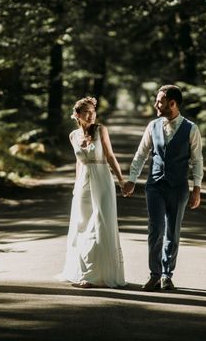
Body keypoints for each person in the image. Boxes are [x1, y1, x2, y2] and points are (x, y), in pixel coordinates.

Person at [124, 84, 203, 291]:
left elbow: (197, 160)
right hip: (155, 185)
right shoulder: (152, 126)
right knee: (155, 229)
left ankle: (167, 275)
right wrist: (132, 178)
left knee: (173, 232)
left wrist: (197, 188)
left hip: (178, 187)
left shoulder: (191, 129)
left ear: (172, 103)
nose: (156, 104)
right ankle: (155, 274)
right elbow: (141, 154)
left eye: (159, 101)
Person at [58, 96, 126, 288]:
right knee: (82, 225)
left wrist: (121, 180)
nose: (91, 115)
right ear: (77, 115)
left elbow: (111, 156)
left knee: (101, 225)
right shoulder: (73, 136)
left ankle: (101, 274)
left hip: (102, 180)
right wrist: (75, 186)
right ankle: (85, 273)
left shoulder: (100, 130)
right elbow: (79, 162)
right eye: (86, 112)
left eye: (93, 112)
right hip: (83, 184)